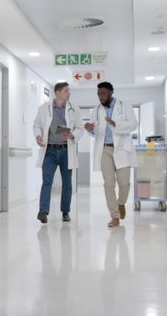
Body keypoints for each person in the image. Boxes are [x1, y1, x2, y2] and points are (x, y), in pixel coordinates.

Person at [84, 81, 137, 227]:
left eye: (103, 94)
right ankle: (114, 216)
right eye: (98, 94)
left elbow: (133, 124)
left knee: (124, 183)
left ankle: (121, 203)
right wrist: (90, 130)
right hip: (105, 150)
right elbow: (96, 132)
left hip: (122, 149)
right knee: (108, 183)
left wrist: (116, 124)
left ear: (111, 93)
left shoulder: (123, 106)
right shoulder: (95, 111)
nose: (100, 97)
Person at [33, 82, 83, 223]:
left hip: (66, 150)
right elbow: (37, 125)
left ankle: (65, 211)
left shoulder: (75, 109)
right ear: (58, 92)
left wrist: (73, 135)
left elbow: (80, 128)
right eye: (66, 91)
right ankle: (43, 211)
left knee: (67, 183)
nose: (69, 93)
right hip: (49, 150)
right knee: (47, 180)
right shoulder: (44, 109)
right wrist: (38, 136)